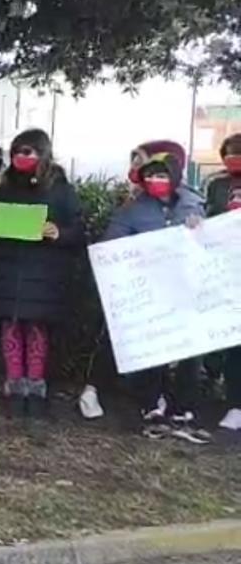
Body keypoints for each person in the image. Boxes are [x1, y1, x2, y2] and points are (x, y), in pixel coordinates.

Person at [100, 145, 210, 443]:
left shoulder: (194, 204)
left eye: (163, 175)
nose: (157, 180)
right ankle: (152, 405)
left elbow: (211, 241)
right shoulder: (133, 210)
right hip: (151, 289)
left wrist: (200, 230)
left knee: (190, 351)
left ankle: (184, 408)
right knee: (155, 348)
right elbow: (113, 244)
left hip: (188, 288)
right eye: (152, 176)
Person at [0, 128, 84, 418]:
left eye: (27, 152)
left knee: (36, 328)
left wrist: (58, 232)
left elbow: (78, 230)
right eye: (16, 152)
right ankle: (14, 384)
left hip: (44, 272)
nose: (20, 158)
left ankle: (36, 386)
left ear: (43, 153)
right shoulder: (6, 187)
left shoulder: (61, 189)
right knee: (11, 326)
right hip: (10, 270)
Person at [206, 133, 241, 431]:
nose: (233, 159)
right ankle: (231, 401)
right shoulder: (217, 185)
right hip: (224, 271)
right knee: (229, 340)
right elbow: (208, 218)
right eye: (228, 154)